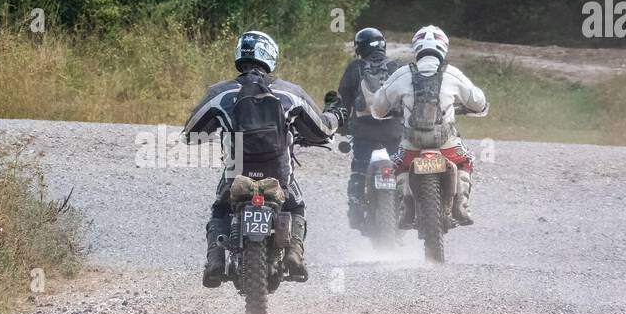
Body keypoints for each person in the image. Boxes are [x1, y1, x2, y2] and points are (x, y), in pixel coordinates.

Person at [184, 31, 343, 287]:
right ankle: (294, 252)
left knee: (220, 208)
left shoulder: (220, 93)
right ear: (270, 56)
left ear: (239, 55)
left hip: (236, 175)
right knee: (296, 206)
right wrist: (336, 114)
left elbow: (191, 134)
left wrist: (218, 129)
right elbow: (323, 129)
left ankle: (215, 259)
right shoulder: (290, 93)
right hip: (279, 176)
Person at [366, 25, 488, 224]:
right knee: (467, 159)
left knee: (397, 164)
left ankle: (406, 207)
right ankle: (461, 204)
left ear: (416, 47)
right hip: (446, 145)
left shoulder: (402, 74)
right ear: (444, 47)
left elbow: (378, 107)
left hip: (412, 146)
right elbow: (478, 101)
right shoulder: (452, 73)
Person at [336, 26, 403, 227]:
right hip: (393, 131)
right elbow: (408, 99)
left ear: (359, 47)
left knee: (360, 166)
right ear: (383, 45)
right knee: (399, 167)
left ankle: (356, 206)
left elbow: (343, 101)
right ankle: (406, 205)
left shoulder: (354, 68)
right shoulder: (396, 68)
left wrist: (340, 125)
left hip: (363, 132)